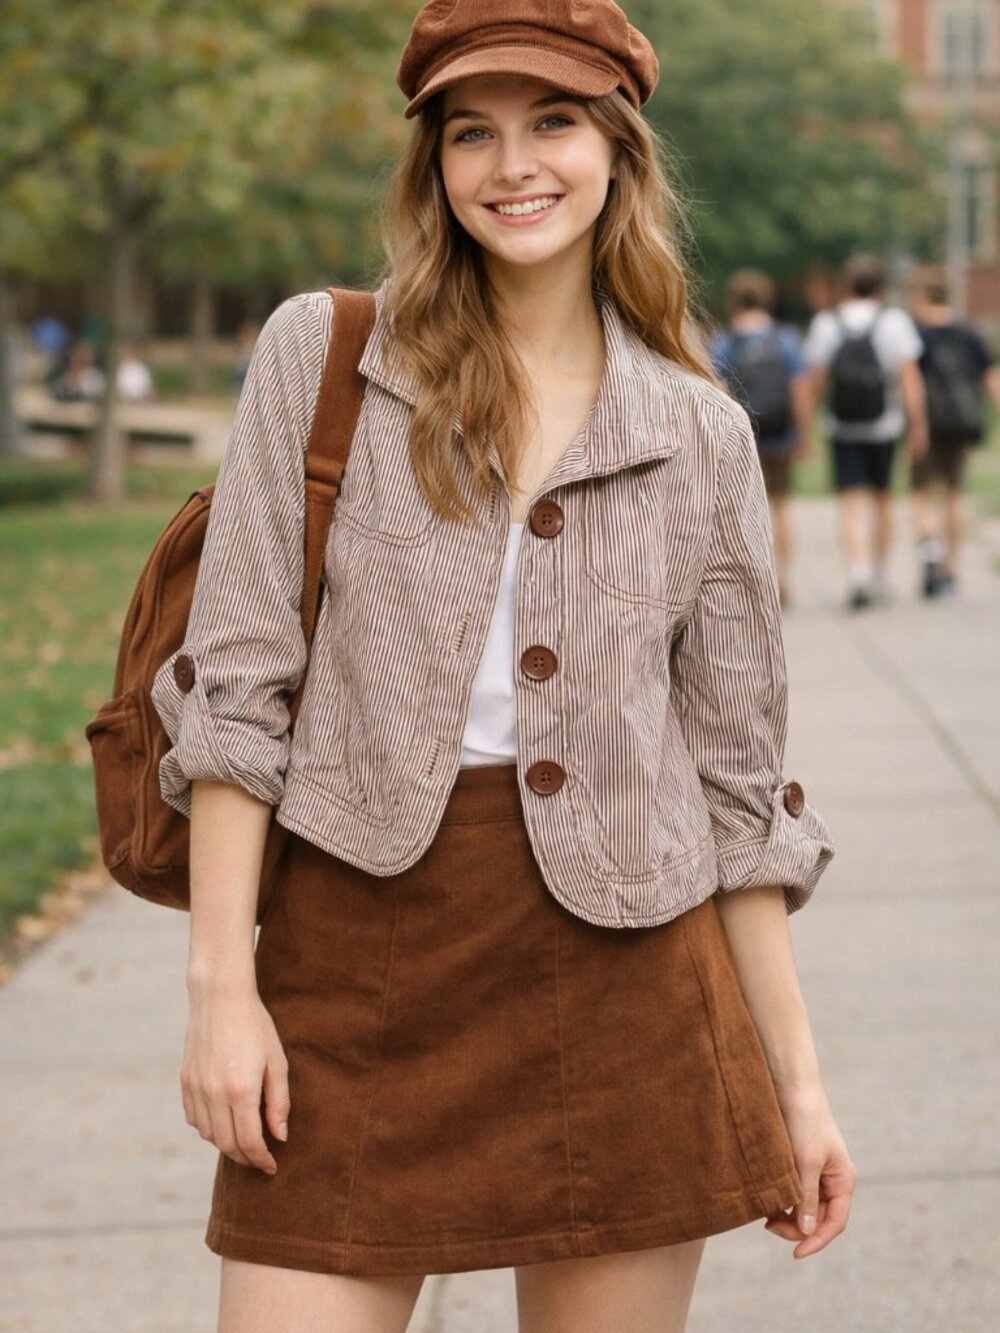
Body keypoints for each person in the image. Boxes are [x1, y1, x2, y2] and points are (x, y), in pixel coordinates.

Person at [150, 3, 854, 1330]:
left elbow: (737, 793)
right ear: (433, 167)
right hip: (356, 966)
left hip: (627, 980)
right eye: (472, 131)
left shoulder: (700, 435)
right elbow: (235, 697)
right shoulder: (327, 357)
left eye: (555, 123)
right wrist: (220, 992)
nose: (512, 164)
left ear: (618, 152)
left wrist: (797, 1092)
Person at [803, 254, 928, 611]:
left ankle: (856, 572)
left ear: (846, 286)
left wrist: (807, 426)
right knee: (883, 498)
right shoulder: (894, 322)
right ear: (882, 287)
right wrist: (917, 425)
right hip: (883, 425)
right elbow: (908, 378)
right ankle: (879, 572)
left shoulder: (828, 323)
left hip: (841, 426)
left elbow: (815, 380)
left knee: (850, 501)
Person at [710, 269, 813, 608]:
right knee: (781, 506)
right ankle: (781, 579)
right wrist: (804, 433)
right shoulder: (784, 339)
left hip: (742, 439)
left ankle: (754, 584)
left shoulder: (724, 343)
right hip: (780, 433)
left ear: (735, 301)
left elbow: (718, 392)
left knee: (743, 511)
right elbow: (800, 389)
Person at [908, 275, 1000, 598]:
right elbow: (991, 378)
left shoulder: (916, 335)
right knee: (953, 493)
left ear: (923, 296)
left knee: (921, 491)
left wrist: (914, 422)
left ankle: (930, 556)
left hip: (928, 423)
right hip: (961, 423)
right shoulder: (969, 334)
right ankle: (951, 567)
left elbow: (910, 382)